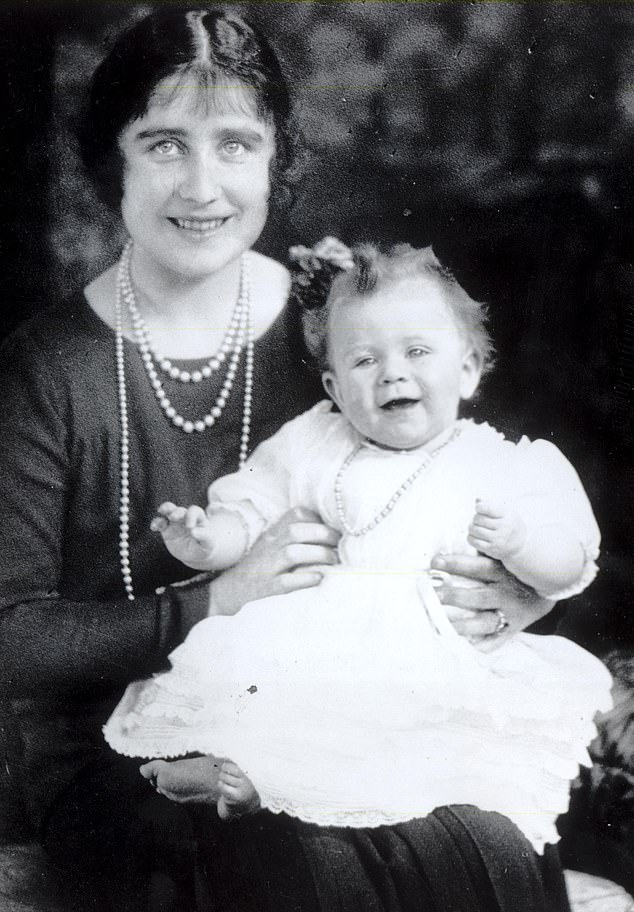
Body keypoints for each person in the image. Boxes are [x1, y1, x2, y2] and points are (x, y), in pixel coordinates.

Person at [0, 7, 571, 912]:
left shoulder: (338, 329)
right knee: (298, 861)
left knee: (494, 842)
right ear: (113, 160)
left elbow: (456, 477)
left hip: (372, 708)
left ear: (274, 160)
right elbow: (10, 632)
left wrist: (517, 589)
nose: (201, 184)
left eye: (235, 144)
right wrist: (214, 601)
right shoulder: (49, 368)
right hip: (128, 749)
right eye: (162, 144)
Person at [104, 242, 612, 855]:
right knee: (283, 701)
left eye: (417, 352)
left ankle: (272, 787)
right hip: (324, 637)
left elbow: (569, 564)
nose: (392, 372)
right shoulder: (318, 440)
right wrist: (207, 540)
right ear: (336, 388)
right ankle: (240, 775)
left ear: (470, 369)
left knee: (413, 752)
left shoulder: (502, 463)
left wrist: (523, 543)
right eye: (365, 360)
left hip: (433, 657)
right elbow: (255, 505)